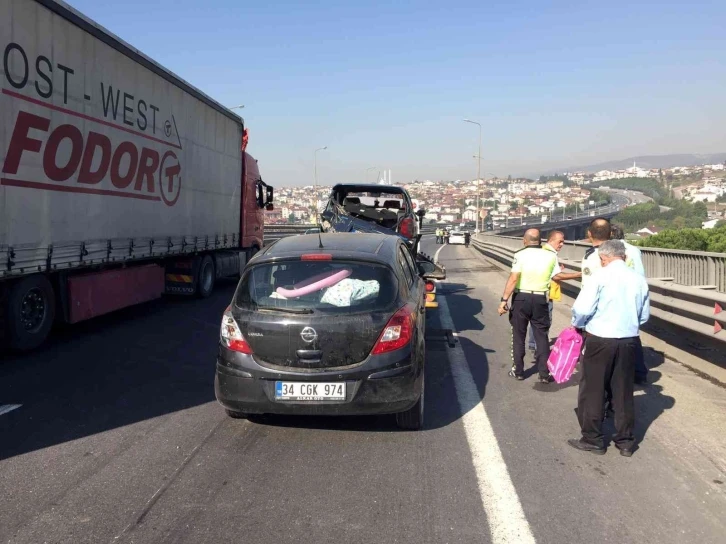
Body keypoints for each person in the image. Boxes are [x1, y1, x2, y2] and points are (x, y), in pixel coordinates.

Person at [568, 240, 650, 457]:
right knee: (623, 391)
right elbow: (644, 315)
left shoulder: (600, 276)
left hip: (600, 339)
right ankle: (625, 441)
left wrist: (577, 324)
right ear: (622, 256)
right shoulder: (638, 279)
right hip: (629, 339)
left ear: (603, 258)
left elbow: (583, 309)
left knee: (593, 389)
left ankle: (593, 439)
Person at [497, 229, 558, 383]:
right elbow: (556, 276)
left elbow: (513, 278)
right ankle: (544, 374)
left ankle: (518, 371)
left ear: (524, 240)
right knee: (542, 337)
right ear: (540, 240)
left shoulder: (520, 254)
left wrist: (504, 300)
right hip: (540, 299)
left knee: (518, 335)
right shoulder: (551, 255)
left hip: (521, 298)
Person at [527, 230, 582, 351]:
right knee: (545, 320)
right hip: (545, 293)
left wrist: (558, 269)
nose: (562, 244)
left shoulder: (542, 251)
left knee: (536, 320)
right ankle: (539, 347)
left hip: (537, 291)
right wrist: (578, 274)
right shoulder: (550, 254)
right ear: (551, 241)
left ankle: (533, 343)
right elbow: (555, 276)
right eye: (560, 241)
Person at [611, 224, 648, 384]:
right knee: (632, 334)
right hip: (633, 293)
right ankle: (639, 372)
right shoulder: (634, 250)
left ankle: (617, 370)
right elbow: (640, 273)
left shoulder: (609, 250)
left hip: (616, 294)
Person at [581, 218, 611, 287]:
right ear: (610, 234)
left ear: (589, 233)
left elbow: (587, 287)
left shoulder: (590, 257)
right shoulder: (621, 254)